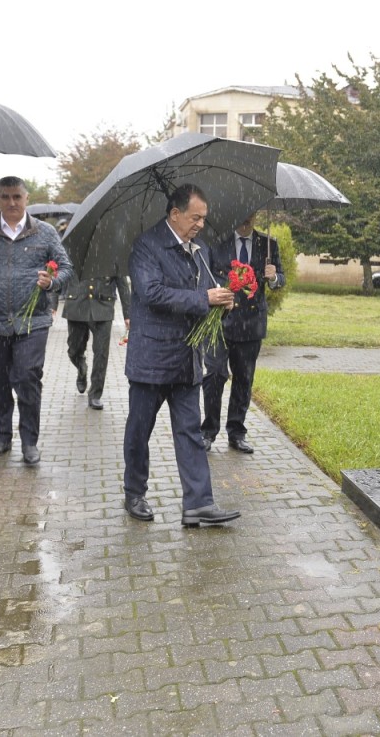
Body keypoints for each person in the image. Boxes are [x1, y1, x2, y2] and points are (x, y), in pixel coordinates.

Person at [121, 184, 240, 525]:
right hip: (151, 361)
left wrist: (222, 301)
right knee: (139, 431)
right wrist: (205, 299)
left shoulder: (199, 249)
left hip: (188, 360)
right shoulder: (146, 246)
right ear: (175, 214)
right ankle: (134, 492)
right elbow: (151, 293)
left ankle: (198, 505)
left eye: (204, 218)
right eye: (195, 217)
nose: (201, 224)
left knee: (189, 431)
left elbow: (204, 293)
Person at [0, 176, 72, 466]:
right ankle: (1, 436)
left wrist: (52, 283)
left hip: (32, 322)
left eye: (17, 197)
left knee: (27, 378)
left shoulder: (45, 233)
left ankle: (29, 441)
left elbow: (66, 268)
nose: (11, 203)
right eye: (5, 197)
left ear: (26, 198)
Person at [201, 211, 284, 454]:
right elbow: (205, 275)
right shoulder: (217, 242)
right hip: (220, 321)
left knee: (244, 379)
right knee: (215, 374)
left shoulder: (268, 245)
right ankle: (208, 431)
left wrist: (274, 277)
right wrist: (219, 287)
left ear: (256, 216)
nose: (245, 218)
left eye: (251, 214)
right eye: (242, 213)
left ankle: (236, 432)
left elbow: (281, 279)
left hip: (251, 323)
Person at [63, 265, 131, 410]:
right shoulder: (73, 246)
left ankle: (95, 394)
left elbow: (122, 281)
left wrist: (128, 313)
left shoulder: (110, 250)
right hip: (76, 305)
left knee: (101, 353)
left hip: (103, 306)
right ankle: (81, 367)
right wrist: (51, 303)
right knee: (74, 349)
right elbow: (61, 273)